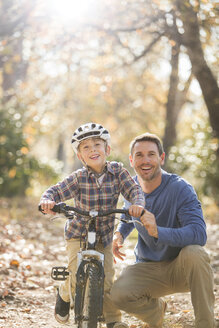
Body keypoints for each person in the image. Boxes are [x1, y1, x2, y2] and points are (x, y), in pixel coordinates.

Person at [39, 123, 145, 328]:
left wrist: (137, 204)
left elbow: (134, 192)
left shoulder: (119, 173)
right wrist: (47, 201)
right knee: (73, 275)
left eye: (97, 144)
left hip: (104, 235)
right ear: (80, 156)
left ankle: (114, 321)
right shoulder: (78, 178)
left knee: (107, 281)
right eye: (85, 147)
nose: (92, 149)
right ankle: (64, 292)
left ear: (108, 149)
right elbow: (54, 191)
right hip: (78, 233)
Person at [111, 132, 215, 328]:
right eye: (139, 155)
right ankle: (156, 313)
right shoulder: (130, 187)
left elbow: (198, 234)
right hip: (148, 268)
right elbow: (127, 215)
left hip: (181, 267)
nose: (146, 160)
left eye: (151, 154)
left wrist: (158, 231)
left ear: (161, 158)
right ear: (131, 160)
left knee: (196, 252)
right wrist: (120, 234)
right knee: (117, 294)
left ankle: (206, 323)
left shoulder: (180, 188)